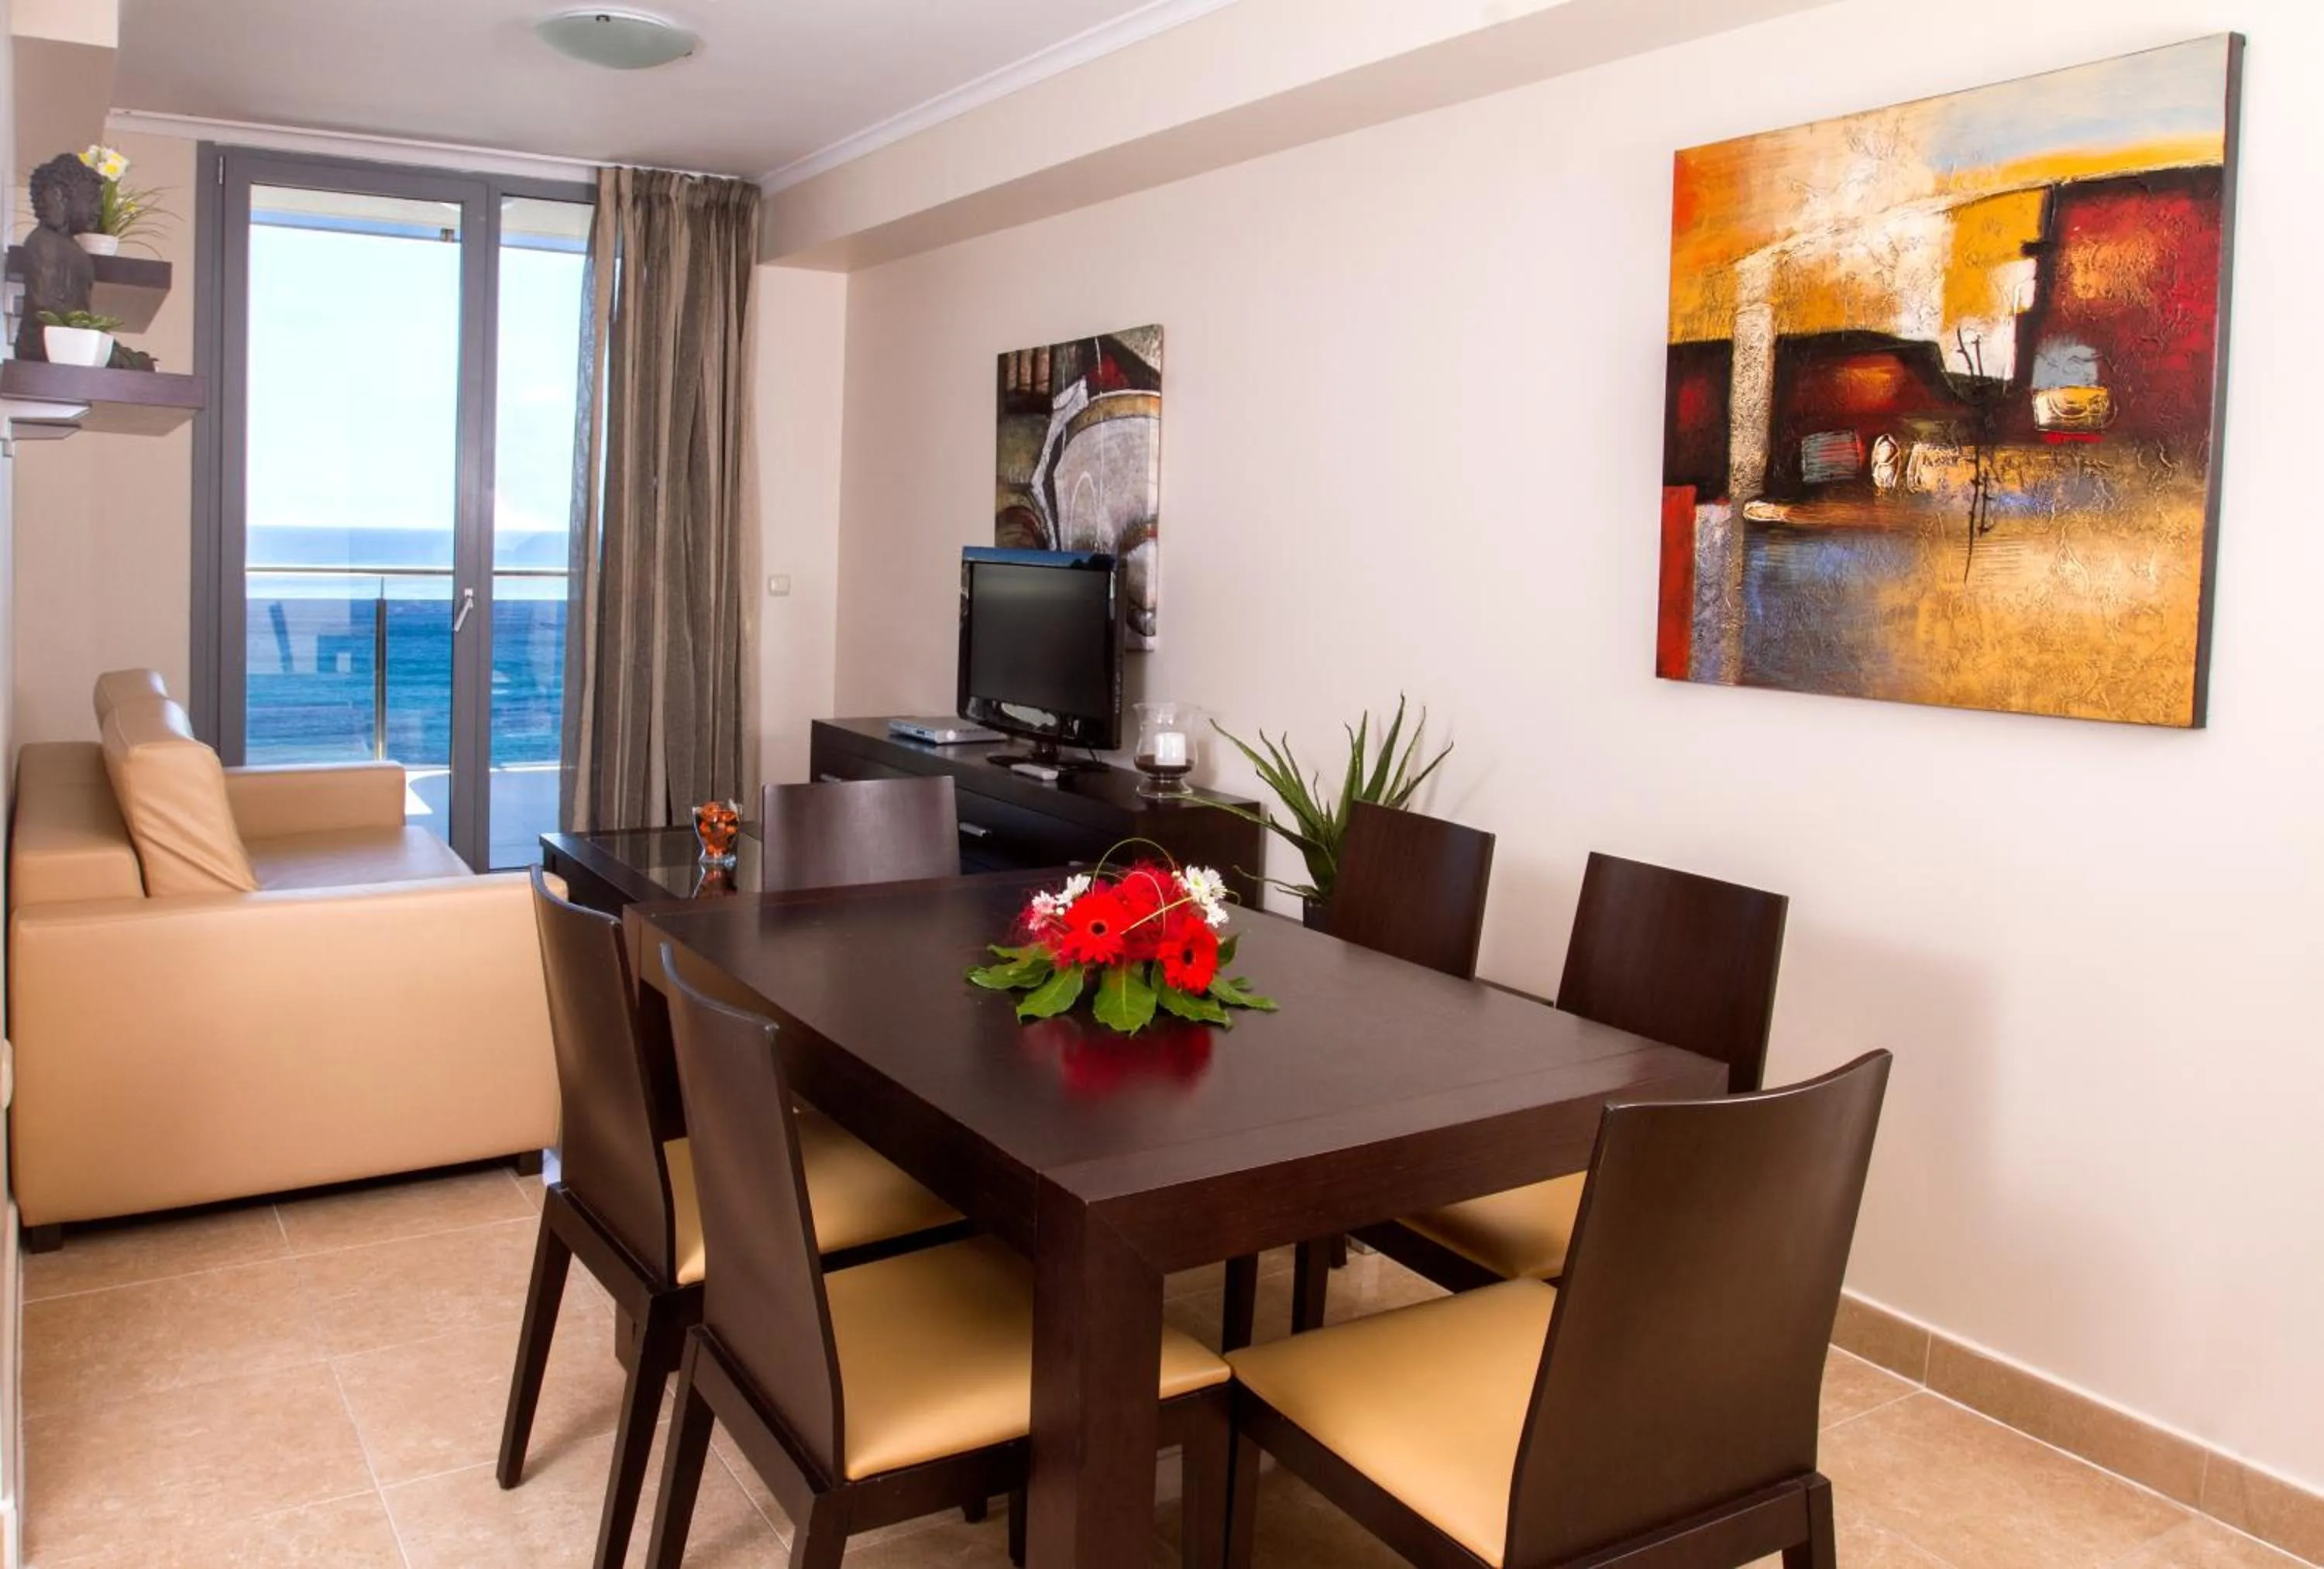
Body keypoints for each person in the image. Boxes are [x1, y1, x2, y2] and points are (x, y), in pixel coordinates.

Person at [16, 154, 102, 361]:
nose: (97, 210)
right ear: (58, 195)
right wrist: (84, 331)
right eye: (91, 198)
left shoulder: (75, 250)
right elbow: (44, 306)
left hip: (72, 342)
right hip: (45, 345)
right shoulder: (43, 242)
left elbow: (81, 310)